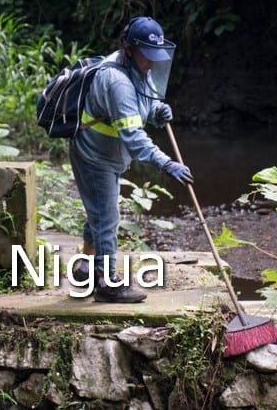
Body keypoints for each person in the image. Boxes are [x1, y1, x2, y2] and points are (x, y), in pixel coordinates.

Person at [70, 16, 193, 303]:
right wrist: (166, 163)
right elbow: (135, 139)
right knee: (107, 217)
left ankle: (85, 268)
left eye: (155, 56)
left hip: (109, 154)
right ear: (128, 48)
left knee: (99, 211)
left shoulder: (137, 67)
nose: (151, 62)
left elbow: (144, 101)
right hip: (94, 155)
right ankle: (108, 284)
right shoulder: (116, 81)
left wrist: (156, 111)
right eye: (146, 55)